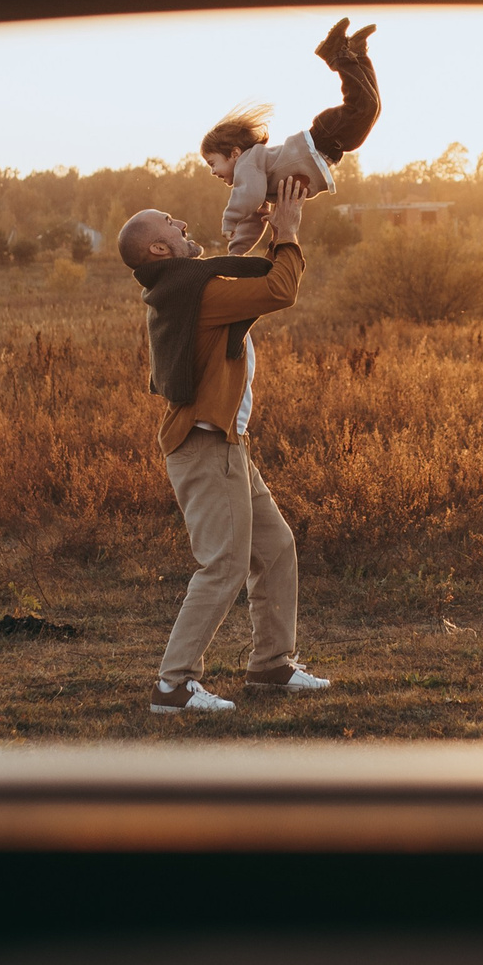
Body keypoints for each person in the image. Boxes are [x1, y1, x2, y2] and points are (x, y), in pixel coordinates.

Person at [117, 172, 331, 713]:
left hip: (227, 442)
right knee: (223, 564)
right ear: (161, 248)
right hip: (207, 445)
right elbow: (278, 290)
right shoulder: (197, 293)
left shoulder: (185, 287)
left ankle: (271, 666)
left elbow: (230, 272)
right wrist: (288, 231)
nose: (183, 221)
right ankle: (173, 685)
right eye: (171, 222)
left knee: (276, 549)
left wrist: (261, 235)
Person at [204, 17, 381, 255]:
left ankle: (336, 54)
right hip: (328, 144)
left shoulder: (248, 164)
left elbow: (247, 199)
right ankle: (357, 55)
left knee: (365, 108)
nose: (212, 172)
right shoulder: (256, 181)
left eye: (213, 163)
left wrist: (228, 220)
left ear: (234, 153)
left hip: (321, 139)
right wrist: (236, 252)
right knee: (370, 108)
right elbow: (253, 220)